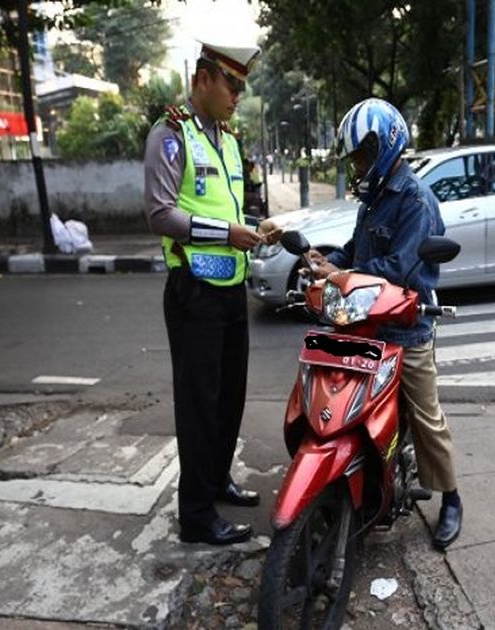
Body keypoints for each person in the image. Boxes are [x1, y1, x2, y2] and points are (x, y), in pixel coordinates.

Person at [307, 98, 463, 550]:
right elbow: (357, 250)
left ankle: (451, 498)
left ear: (386, 145)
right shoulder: (373, 200)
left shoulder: (415, 200)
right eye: (355, 157)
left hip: (406, 330)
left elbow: (399, 268)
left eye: (362, 155)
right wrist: (326, 262)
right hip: (362, 325)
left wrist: (341, 276)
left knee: (426, 415)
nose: (358, 165)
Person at [143, 41, 279, 546]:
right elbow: (160, 213)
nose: (238, 95)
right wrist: (227, 234)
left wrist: (251, 226)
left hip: (229, 289)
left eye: (242, 87)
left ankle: (216, 480)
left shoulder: (225, 139)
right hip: (193, 291)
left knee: (228, 399)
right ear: (203, 79)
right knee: (199, 405)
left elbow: (221, 210)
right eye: (233, 85)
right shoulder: (170, 135)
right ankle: (196, 516)